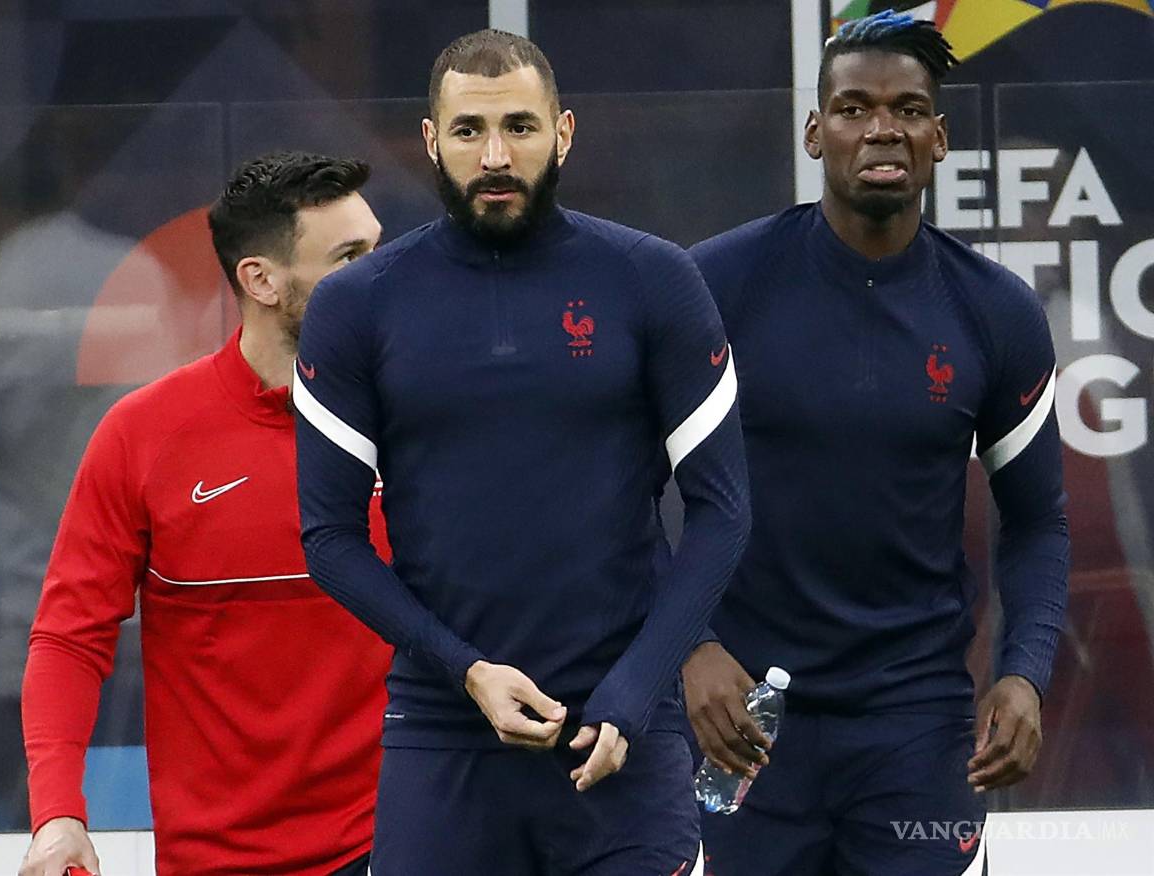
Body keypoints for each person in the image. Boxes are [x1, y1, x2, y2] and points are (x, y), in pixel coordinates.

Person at [293, 28, 750, 876]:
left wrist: (636, 690)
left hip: (622, 739)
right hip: (442, 735)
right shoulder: (357, 306)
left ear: (564, 133)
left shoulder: (654, 279)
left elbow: (724, 512)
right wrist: (465, 672)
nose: (495, 154)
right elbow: (329, 538)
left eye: (521, 127)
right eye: (468, 131)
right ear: (431, 141)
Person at [686, 11, 1069, 876]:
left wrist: (1025, 672)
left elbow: (1039, 521)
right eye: (854, 108)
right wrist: (691, 649)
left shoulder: (994, 311)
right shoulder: (717, 285)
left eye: (907, 108)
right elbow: (625, 486)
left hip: (917, 725)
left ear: (939, 136)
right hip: (748, 716)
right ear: (816, 132)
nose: (882, 127)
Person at [20, 151, 392, 876]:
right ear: (261, 280)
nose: (381, 277)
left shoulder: (420, 423)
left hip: (393, 846)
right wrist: (58, 813)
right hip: (217, 860)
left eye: (379, 250)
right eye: (350, 258)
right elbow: (69, 639)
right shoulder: (143, 436)